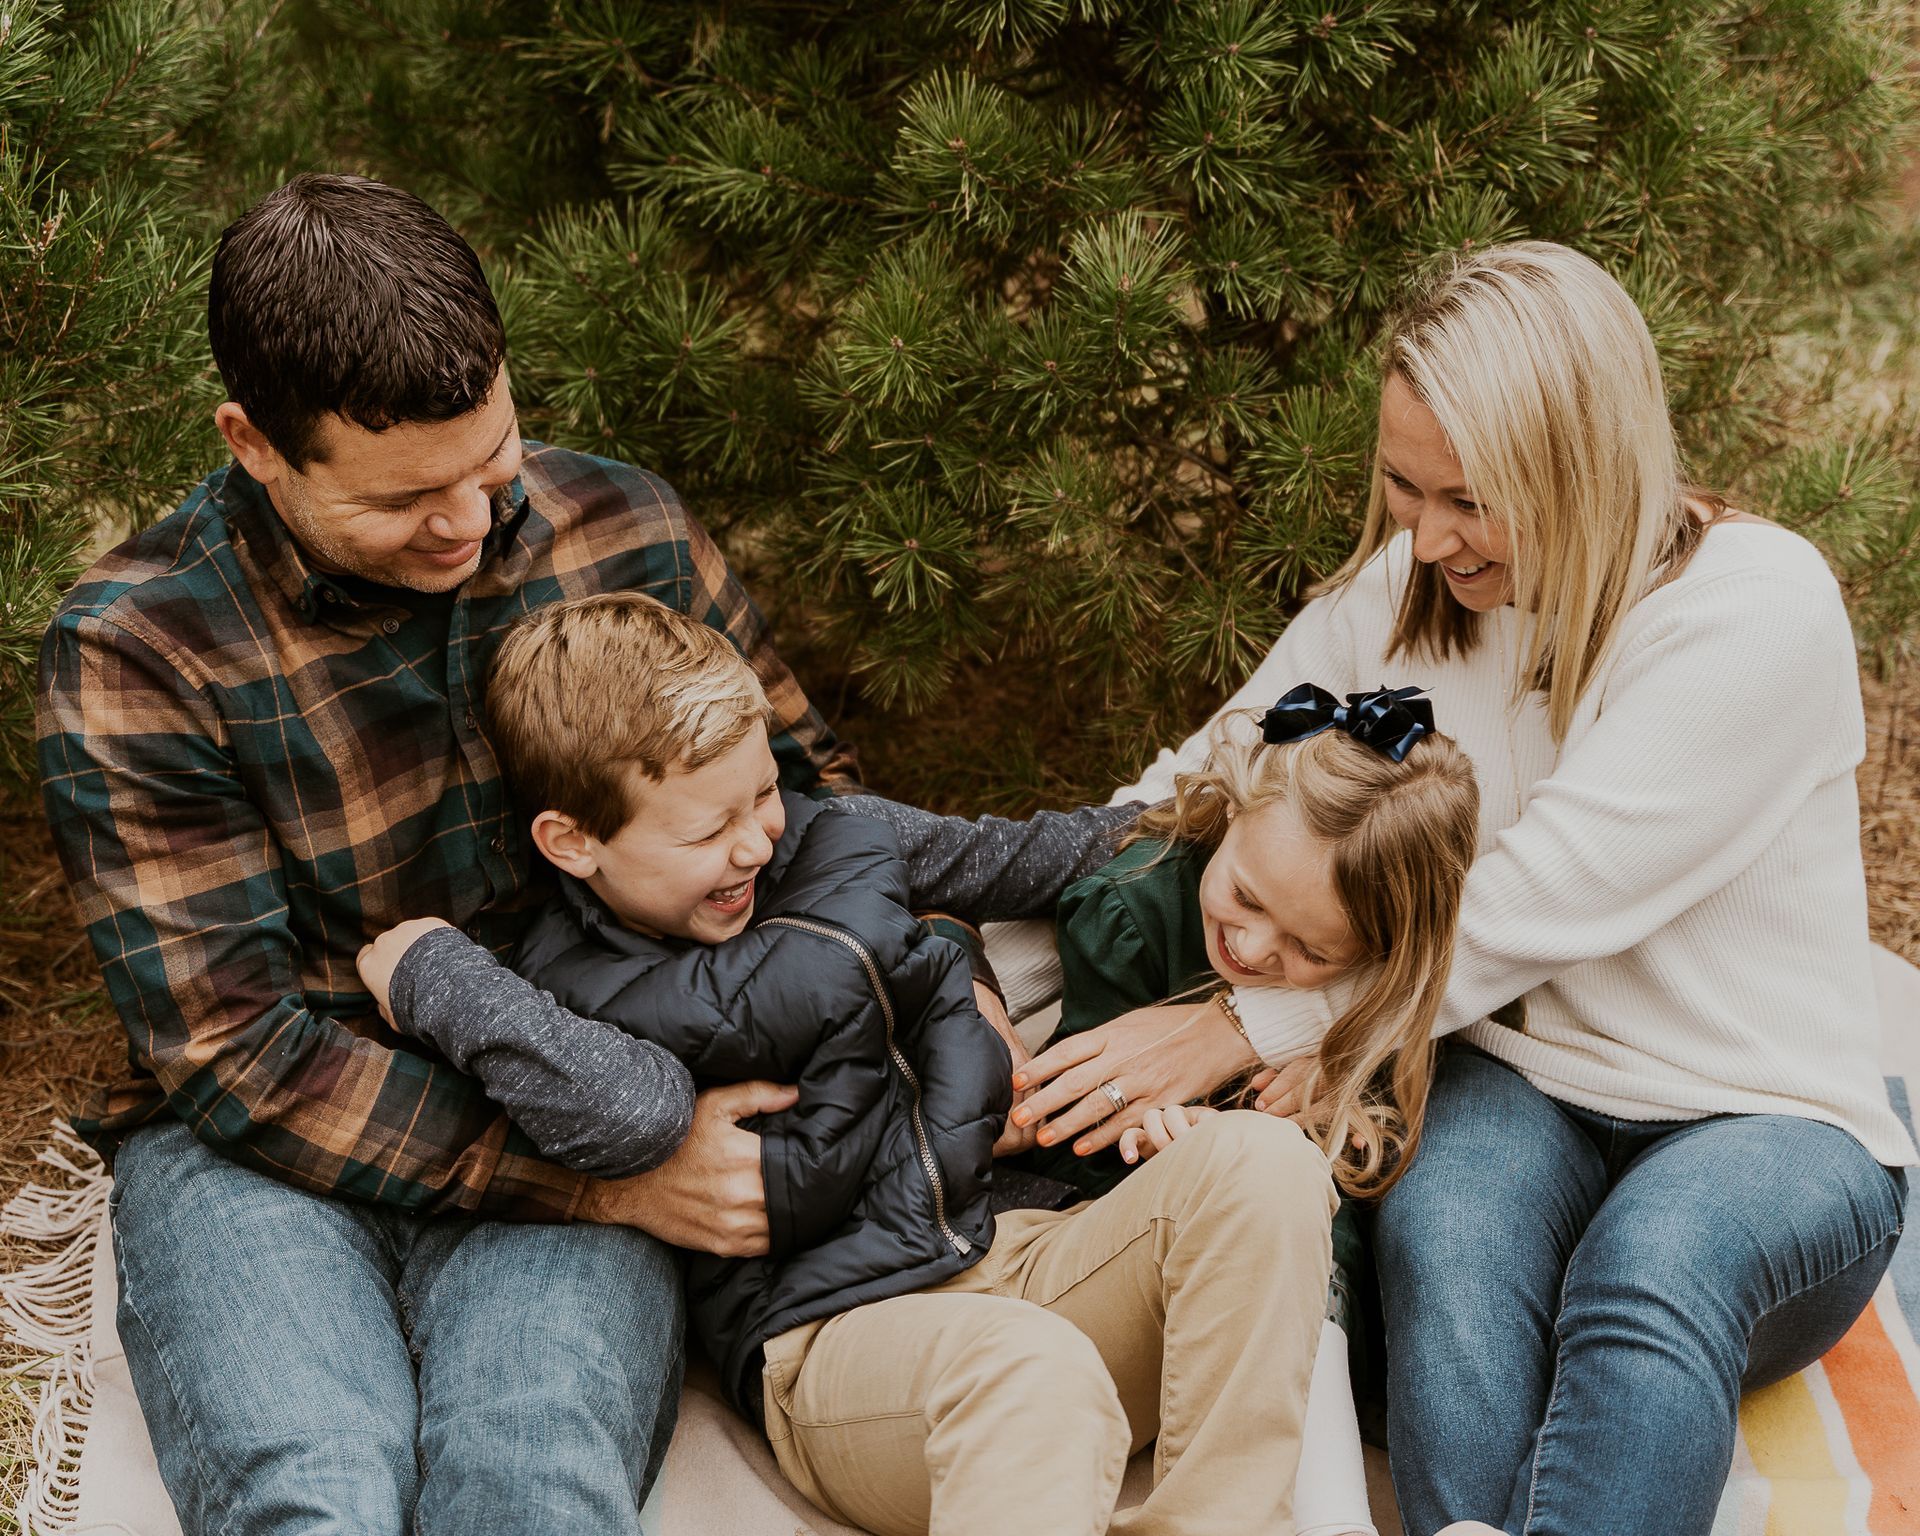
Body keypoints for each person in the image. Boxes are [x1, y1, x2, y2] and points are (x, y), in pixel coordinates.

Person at [32, 172, 1024, 1533]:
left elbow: (809, 804)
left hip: (600, 1068)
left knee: (533, 1479)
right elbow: (234, 1048)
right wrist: (600, 1174)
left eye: (489, 467)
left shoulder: (623, 527)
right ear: (255, 445)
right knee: (312, 1495)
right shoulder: (140, 649)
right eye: (404, 502)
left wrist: (942, 975)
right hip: (273, 1144)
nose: (467, 522)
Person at [1011, 241, 1916, 1536]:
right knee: (1442, 1243)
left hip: (1765, 1122)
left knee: (1653, 1267)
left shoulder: (1753, 616)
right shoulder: (1419, 594)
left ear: (1583, 467)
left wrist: (1228, 1029)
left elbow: (1534, 899)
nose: (1427, 536)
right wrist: (958, 947)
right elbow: (1204, 770)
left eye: (1472, 500)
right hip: (1516, 1079)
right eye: (1400, 484)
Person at [359, 591, 1340, 1536]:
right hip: (835, 1338)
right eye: (710, 829)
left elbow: (1039, 854)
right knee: (1033, 1370)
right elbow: (634, 1114)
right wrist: (432, 972)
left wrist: (1247, 812)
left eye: (761, 796)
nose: (755, 841)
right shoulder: (568, 982)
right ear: (573, 842)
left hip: (1018, 1245)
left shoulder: (839, 841)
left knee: (1265, 1163)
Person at [1030, 687, 1479, 1536]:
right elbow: (1058, 1144)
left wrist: (1338, 1095)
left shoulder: (1374, 999)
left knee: (1322, 1212)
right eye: (1246, 895)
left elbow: (1384, 1150)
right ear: (1232, 810)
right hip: (1144, 1250)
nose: (1254, 948)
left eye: (1314, 952)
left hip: (1333, 1287)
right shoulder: (1137, 910)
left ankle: (1338, 1514)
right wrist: (1156, 1143)